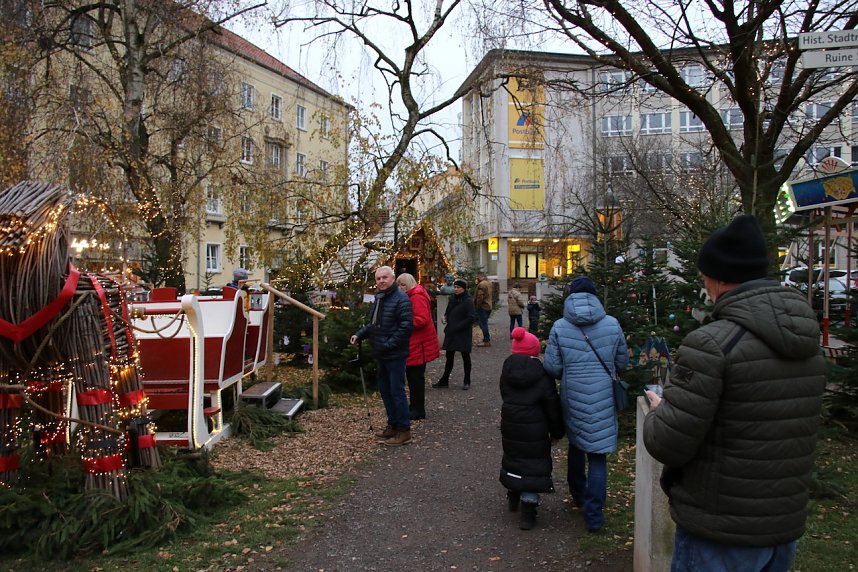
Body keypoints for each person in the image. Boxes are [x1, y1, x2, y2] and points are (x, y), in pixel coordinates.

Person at [643, 215, 825, 572]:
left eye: (704, 276)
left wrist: (661, 411)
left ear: (721, 278)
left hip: (719, 530)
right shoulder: (807, 341)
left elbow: (667, 442)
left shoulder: (712, 343)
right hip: (782, 525)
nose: (703, 284)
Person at [543, 275, 628, 534]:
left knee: (577, 444)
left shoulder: (559, 326)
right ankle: (594, 515)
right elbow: (622, 362)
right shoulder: (612, 324)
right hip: (603, 395)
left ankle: (578, 493)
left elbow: (553, 367)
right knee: (598, 454)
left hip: (574, 395)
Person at [499, 327, 565, 531]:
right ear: (535, 351)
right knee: (533, 463)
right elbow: (551, 405)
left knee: (514, 456)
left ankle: (513, 491)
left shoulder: (507, 371)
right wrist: (557, 431)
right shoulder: (542, 375)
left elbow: (505, 395)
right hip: (536, 428)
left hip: (511, 424)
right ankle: (528, 509)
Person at [350, 266, 414, 446]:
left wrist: (388, 344)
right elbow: (374, 324)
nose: (381, 281)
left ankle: (404, 430)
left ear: (392, 278)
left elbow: (406, 327)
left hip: (395, 354)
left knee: (397, 392)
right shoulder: (380, 298)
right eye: (378, 279)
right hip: (381, 354)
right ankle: (392, 425)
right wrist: (360, 334)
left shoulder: (401, 299)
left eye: (385, 277)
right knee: (386, 392)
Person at [397, 273, 440, 420]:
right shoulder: (412, 296)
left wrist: (403, 323)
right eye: (399, 285)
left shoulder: (416, 297)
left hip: (419, 344)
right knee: (413, 377)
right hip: (415, 344)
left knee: (416, 378)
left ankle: (418, 409)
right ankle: (414, 406)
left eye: (403, 285)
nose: (400, 288)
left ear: (409, 284)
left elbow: (421, 319)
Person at [433, 279, 476, 390]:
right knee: (449, 357)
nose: (456, 289)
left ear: (464, 288)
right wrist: (445, 317)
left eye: (459, 287)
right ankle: (444, 380)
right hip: (451, 332)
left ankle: (467, 380)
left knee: (465, 356)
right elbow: (448, 311)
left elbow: (472, 317)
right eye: (455, 287)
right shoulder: (452, 298)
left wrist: (459, 326)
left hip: (463, 333)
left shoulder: (468, 301)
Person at [474, 272, 493, 347]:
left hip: (483, 306)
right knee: (484, 323)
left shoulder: (482, 284)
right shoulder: (489, 283)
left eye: (477, 277)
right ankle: (486, 339)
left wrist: (477, 306)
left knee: (483, 323)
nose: (476, 279)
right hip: (488, 306)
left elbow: (480, 297)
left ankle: (486, 340)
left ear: (479, 277)